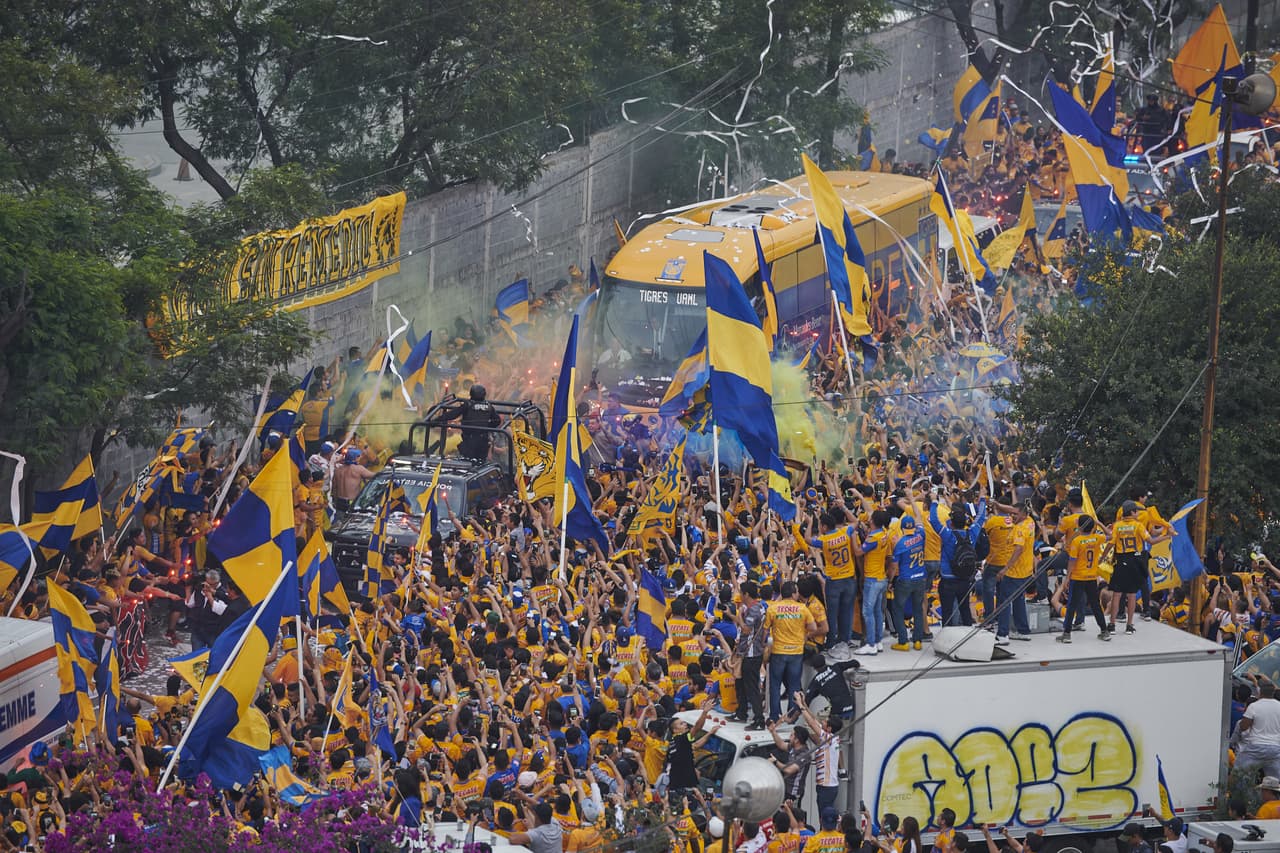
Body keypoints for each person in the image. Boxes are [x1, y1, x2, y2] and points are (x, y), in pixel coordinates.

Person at [765, 581, 816, 723]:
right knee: (794, 685)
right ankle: (791, 715)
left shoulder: (772, 608)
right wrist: (804, 636)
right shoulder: (803, 609)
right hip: (796, 653)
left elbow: (765, 630)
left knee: (775, 685)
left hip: (778, 652)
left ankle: (774, 716)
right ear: (794, 593)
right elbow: (813, 627)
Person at [810, 511, 858, 648]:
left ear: (824, 527)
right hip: (849, 578)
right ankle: (845, 640)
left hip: (834, 580)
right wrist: (843, 507)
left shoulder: (823, 541)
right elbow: (855, 521)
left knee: (832, 613)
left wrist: (809, 523)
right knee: (847, 611)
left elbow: (807, 538)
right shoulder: (844, 532)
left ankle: (831, 642)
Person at [1058, 516, 1110, 642]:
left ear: (1080, 527)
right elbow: (1110, 535)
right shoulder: (1097, 538)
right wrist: (1099, 523)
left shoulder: (1077, 541)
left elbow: (1072, 561)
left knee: (1072, 605)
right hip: (1091, 577)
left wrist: (1067, 578)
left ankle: (1066, 634)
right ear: (1092, 527)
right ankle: (1104, 631)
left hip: (1078, 577)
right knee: (1095, 604)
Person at [733, 581, 769, 730]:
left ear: (746, 594)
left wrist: (736, 615)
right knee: (740, 683)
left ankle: (759, 720)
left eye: (741, 592)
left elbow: (746, 630)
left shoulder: (754, 609)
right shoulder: (759, 607)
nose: (740, 595)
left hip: (751, 654)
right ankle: (741, 713)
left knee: (751, 687)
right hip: (749, 652)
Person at [856, 510, 892, 655]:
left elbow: (859, 552)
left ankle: (870, 644)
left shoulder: (872, 538)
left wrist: (853, 538)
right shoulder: (884, 534)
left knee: (867, 612)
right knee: (878, 612)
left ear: (873, 521)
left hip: (872, 579)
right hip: (881, 577)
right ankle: (878, 642)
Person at [890, 514, 927, 650]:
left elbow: (894, 566)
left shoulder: (900, 543)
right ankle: (918, 641)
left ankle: (903, 641)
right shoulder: (921, 535)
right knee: (918, 608)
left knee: (898, 609)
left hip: (905, 579)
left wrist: (890, 580)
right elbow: (920, 523)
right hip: (921, 577)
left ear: (902, 527)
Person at [442, 384, 501, 460]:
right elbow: (497, 421)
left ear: (471, 394)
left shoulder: (467, 404)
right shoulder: (489, 406)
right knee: (480, 463)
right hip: (483, 441)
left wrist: (437, 419)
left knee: (467, 462)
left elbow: (453, 414)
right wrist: (485, 427)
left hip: (469, 441)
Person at [1235, 680, 1280, 778]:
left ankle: (1241, 793)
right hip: (1275, 749)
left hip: (1256, 747)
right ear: (1273, 692)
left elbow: (1243, 727)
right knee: (1275, 780)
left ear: (1260, 692)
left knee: (1239, 773)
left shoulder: (1254, 706)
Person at [332, 447, 374, 512]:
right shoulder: (358, 469)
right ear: (355, 458)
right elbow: (374, 476)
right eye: (359, 457)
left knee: (340, 521)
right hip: (352, 502)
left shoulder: (338, 470)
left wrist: (335, 501)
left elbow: (334, 488)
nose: (360, 458)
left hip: (339, 502)